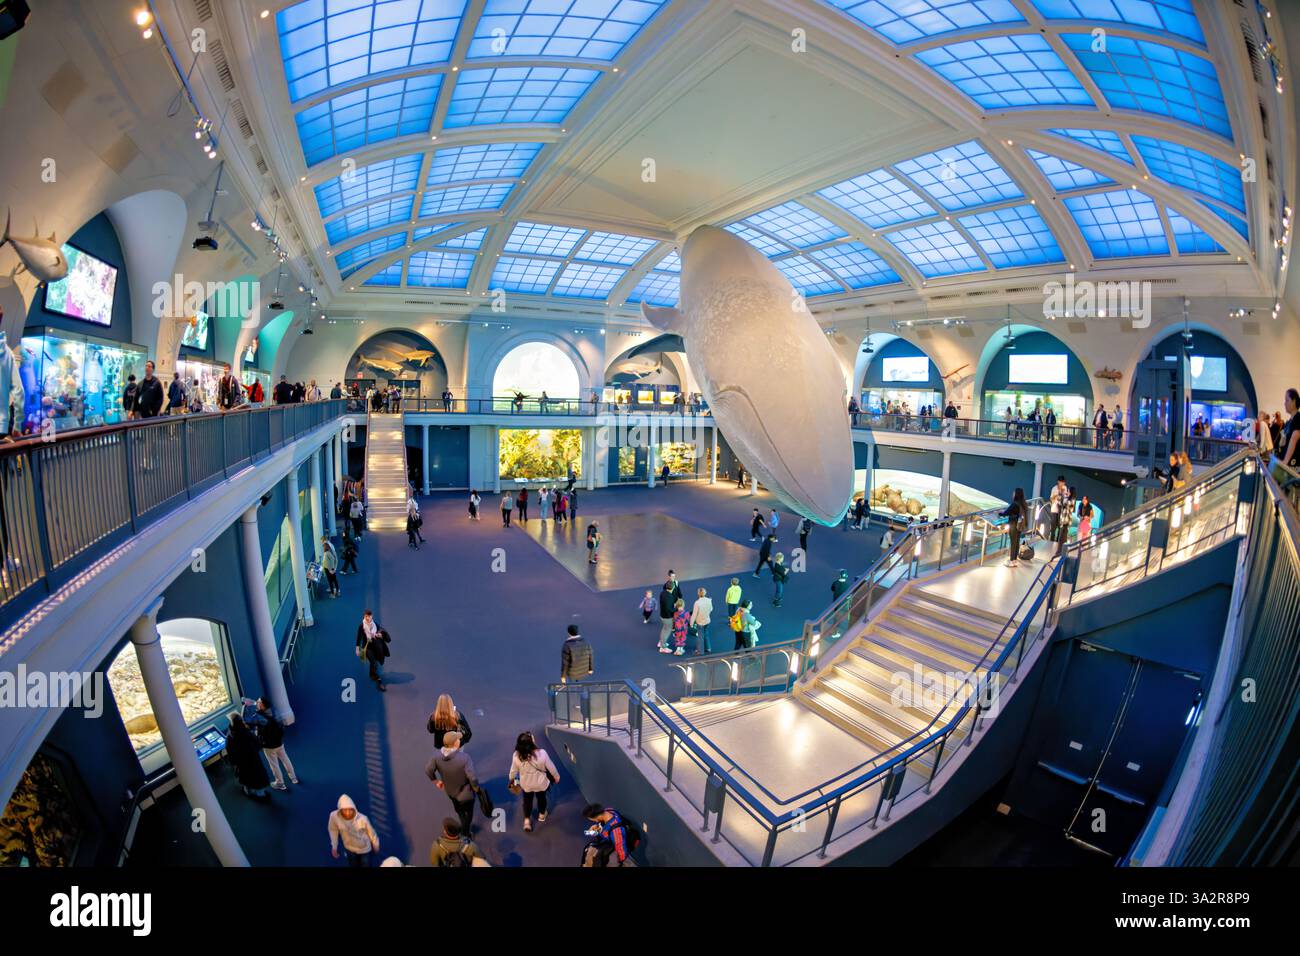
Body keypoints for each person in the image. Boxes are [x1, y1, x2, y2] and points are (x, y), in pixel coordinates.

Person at [427, 730, 479, 836]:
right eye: (457, 739)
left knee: (459, 810)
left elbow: (428, 770)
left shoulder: (436, 757)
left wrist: (436, 781)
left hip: (450, 792)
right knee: (469, 813)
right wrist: (476, 788)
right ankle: (466, 832)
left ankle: (463, 824)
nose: (459, 740)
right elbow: (472, 777)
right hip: (466, 794)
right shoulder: (465, 758)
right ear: (455, 743)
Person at [243, 697, 298, 791]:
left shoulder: (258, 717)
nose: (256, 702)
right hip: (279, 741)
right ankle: (293, 778)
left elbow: (246, 721)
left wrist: (244, 707)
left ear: (262, 705)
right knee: (285, 759)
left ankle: (280, 783)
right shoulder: (274, 710)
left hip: (269, 746)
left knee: (274, 764)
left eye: (259, 702)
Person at [509, 731, 560, 832]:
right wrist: (556, 776)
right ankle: (541, 815)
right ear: (531, 742)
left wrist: (512, 779)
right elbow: (551, 767)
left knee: (527, 801)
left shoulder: (516, 756)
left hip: (526, 785)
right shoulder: (542, 753)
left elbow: (513, 771)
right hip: (540, 784)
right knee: (542, 798)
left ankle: (527, 821)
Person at [226, 713, 271, 799]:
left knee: (246, 778)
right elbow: (258, 743)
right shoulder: (247, 733)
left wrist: (234, 762)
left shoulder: (230, 736)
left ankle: (248, 792)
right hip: (253, 759)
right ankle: (261, 795)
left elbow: (230, 750)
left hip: (241, 763)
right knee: (257, 777)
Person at [329, 794, 380, 866]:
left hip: (364, 849)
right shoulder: (334, 817)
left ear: (354, 808)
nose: (348, 813)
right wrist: (334, 846)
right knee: (353, 865)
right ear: (340, 809)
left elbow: (372, 833)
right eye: (344, 810)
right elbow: (333, 830)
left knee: (365, 864)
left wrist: (376, 845)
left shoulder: (363, 819)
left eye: (350, 810)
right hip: (349, 848)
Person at [356, 610, 390, 692]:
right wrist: (357, 648)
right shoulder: (361, 626)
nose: (368, 618)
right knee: (374, 662)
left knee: (376, 662)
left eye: (369, 616)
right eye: (366, 616)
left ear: (372, 616)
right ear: (364, 617)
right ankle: (374, 676)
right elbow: (359, 637)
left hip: (375, 647)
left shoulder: (375, 625)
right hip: (367, 648)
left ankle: (372, 673)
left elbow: (381, 633)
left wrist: (379, 635)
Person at [1001, 488, 1027, 568]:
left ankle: (1011, 561)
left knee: (1013, 543)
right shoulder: (1023, 503)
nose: (1013, 494)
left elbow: (1005, 513)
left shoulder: (1014, 504)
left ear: (1016, 494)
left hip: (1013, 524)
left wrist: (1000, 513)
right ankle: (1015, 560)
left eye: (1014, 493)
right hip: (1019, 525)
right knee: (1017, 542)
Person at [689, 587, 713, 655]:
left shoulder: (697, 603)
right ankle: (708, 648)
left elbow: (694, 614)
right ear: (705, 593)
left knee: (700, 636)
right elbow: (711, 609)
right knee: (706, 634)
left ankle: (700, 651)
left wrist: (691, 623)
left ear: (698, 594)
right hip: (707, 620)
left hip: (700, 622)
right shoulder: (709, 600)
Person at [1280, 388, 1300, 468]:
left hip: (1292, 465)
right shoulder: (1288, 422)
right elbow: (1282, 443)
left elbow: (1293, 440)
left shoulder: (1298, 418)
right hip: (1285, 462)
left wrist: (1285, 461)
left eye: (1287, 400)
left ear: (1294, 401)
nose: (1284, 403)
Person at [657, 578, 678, 652]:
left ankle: (661, 642)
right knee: (667, 630)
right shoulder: (670, 597)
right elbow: (670, 609)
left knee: (664, 629)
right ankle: (663, 647)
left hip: (662, 615)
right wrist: (677, 608)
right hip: (667, 617)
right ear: (673, 587)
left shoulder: (662, 593)